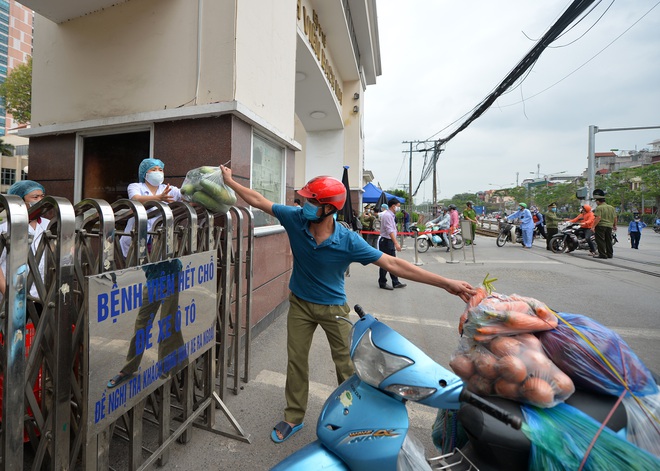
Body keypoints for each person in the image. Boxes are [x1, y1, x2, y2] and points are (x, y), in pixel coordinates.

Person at [218, 166, 475, 443]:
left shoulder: (348, 240)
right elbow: (258, 200)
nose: (304, 204)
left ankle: (353, 416)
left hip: (333, 308)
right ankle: (293, 417)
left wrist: (446, 282)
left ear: (328, 209)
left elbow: (392, 263)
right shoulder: (295, 219)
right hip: (300, 304)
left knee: (347, 366)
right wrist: (231, 182)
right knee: (296, 362)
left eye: (311, 201)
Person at [120, 158, 183, 257]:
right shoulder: (135, 186)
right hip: (137, 236)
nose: (157, 172)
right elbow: (136, 199)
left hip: (158, 238)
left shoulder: (169, 189)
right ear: (145, 173)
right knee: (135, 268)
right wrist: (158, 198)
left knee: (157, 267)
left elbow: (186, 194)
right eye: (153, 169)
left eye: (160, 170)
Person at [0, 181, 48, 307]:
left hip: (41, 294)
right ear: (20, 200)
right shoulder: (5, 229)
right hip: (13, 295)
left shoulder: (49, 225)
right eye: (35, 197)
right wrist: (8, 294)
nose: (40, 200)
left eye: (42, 196)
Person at [378, 198, 407, 290]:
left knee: (392, 262)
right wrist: (396, 243)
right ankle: (382, 282)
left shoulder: (391, 215)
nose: (399, 208)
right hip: (386, 241)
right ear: (393, 206)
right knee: (385, 263)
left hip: (389, 241)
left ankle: (395, 282)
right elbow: (389, 230)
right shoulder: (387, 216)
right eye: (398, 206)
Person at [592, 189, 617, 259]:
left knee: (600, 240)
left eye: (596, 201)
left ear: (598, 201)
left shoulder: (599, 208)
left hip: (601, 226)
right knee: (608, 240)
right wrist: (615, 225)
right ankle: (610, 254)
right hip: (609, 226)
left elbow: (598, 217)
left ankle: (602, 254)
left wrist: (593, 226)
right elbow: (615, 217)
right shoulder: (612, 208)